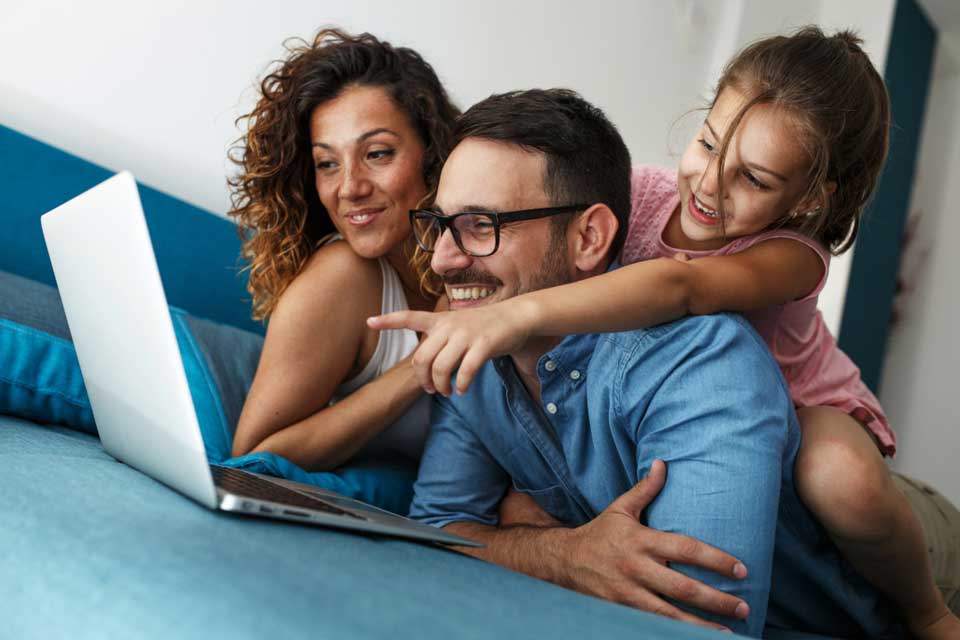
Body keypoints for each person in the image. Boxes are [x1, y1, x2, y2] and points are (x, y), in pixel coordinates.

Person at [371, 28, 958, 637]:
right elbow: (440, 524)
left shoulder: (790, 257)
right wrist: (548, 543)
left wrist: (516, 314)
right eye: (707, 144)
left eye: (753, 179)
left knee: (840, 478)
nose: (708, 186)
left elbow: (681, 289)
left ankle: (930, 612)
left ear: (809, 200)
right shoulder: (644, 197)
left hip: (816, 411)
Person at [227, 28, 459, 470]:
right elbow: (254, 456)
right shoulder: (342, 277)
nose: (350, 187)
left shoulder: (487, 251)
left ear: (432, 153)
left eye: (377, 153)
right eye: (327, 163)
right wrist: (417, 367)